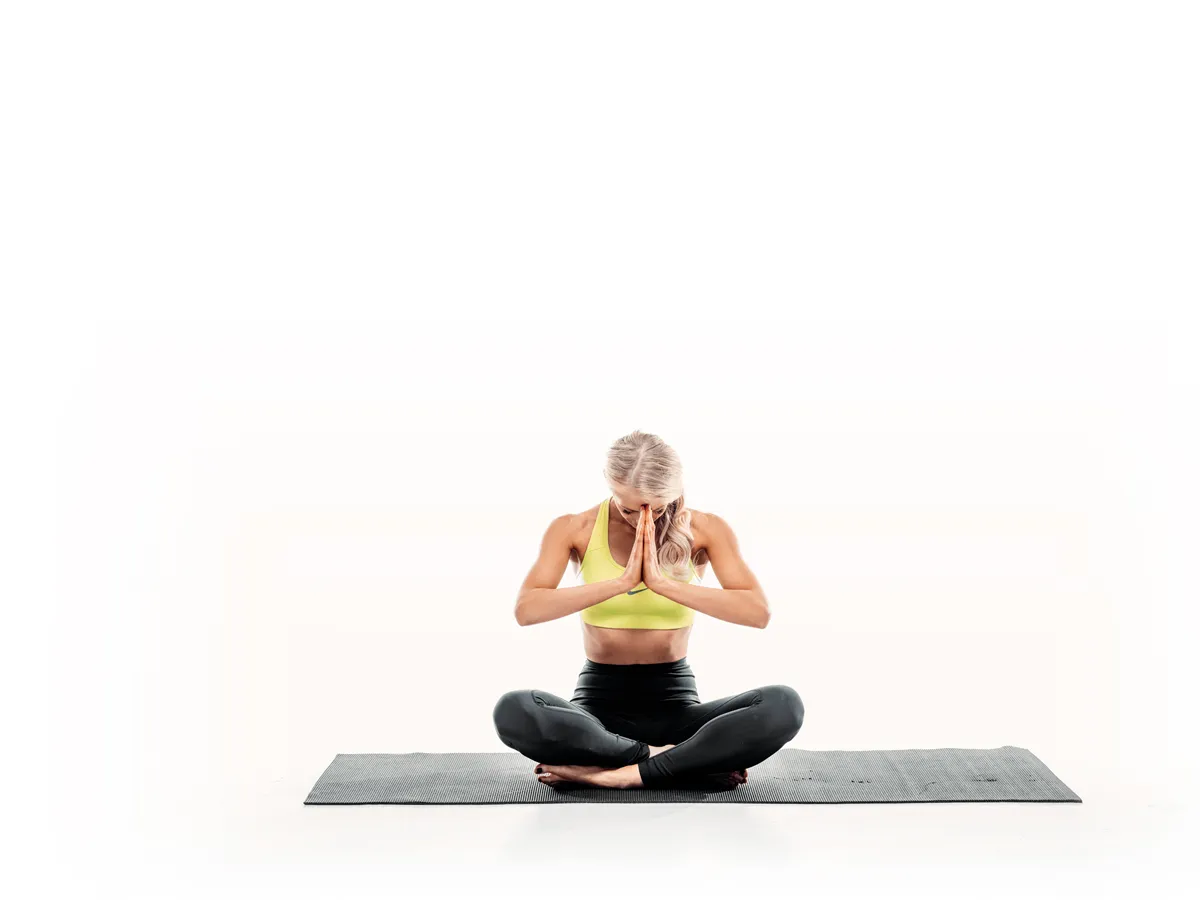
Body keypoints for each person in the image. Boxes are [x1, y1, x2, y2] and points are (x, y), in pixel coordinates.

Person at [492, 429, 804, 790]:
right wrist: (621, 583)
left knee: (784, 704)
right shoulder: (573, 528)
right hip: (596, 712)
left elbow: (757, 612)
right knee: (514, 710)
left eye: (657, 508)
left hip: (678, 706)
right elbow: (526, 609)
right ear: (610, 484)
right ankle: (676, 761)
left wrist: (662, 583)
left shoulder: (705, 528)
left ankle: (617, 775)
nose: (642, 518)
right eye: (627, 507)